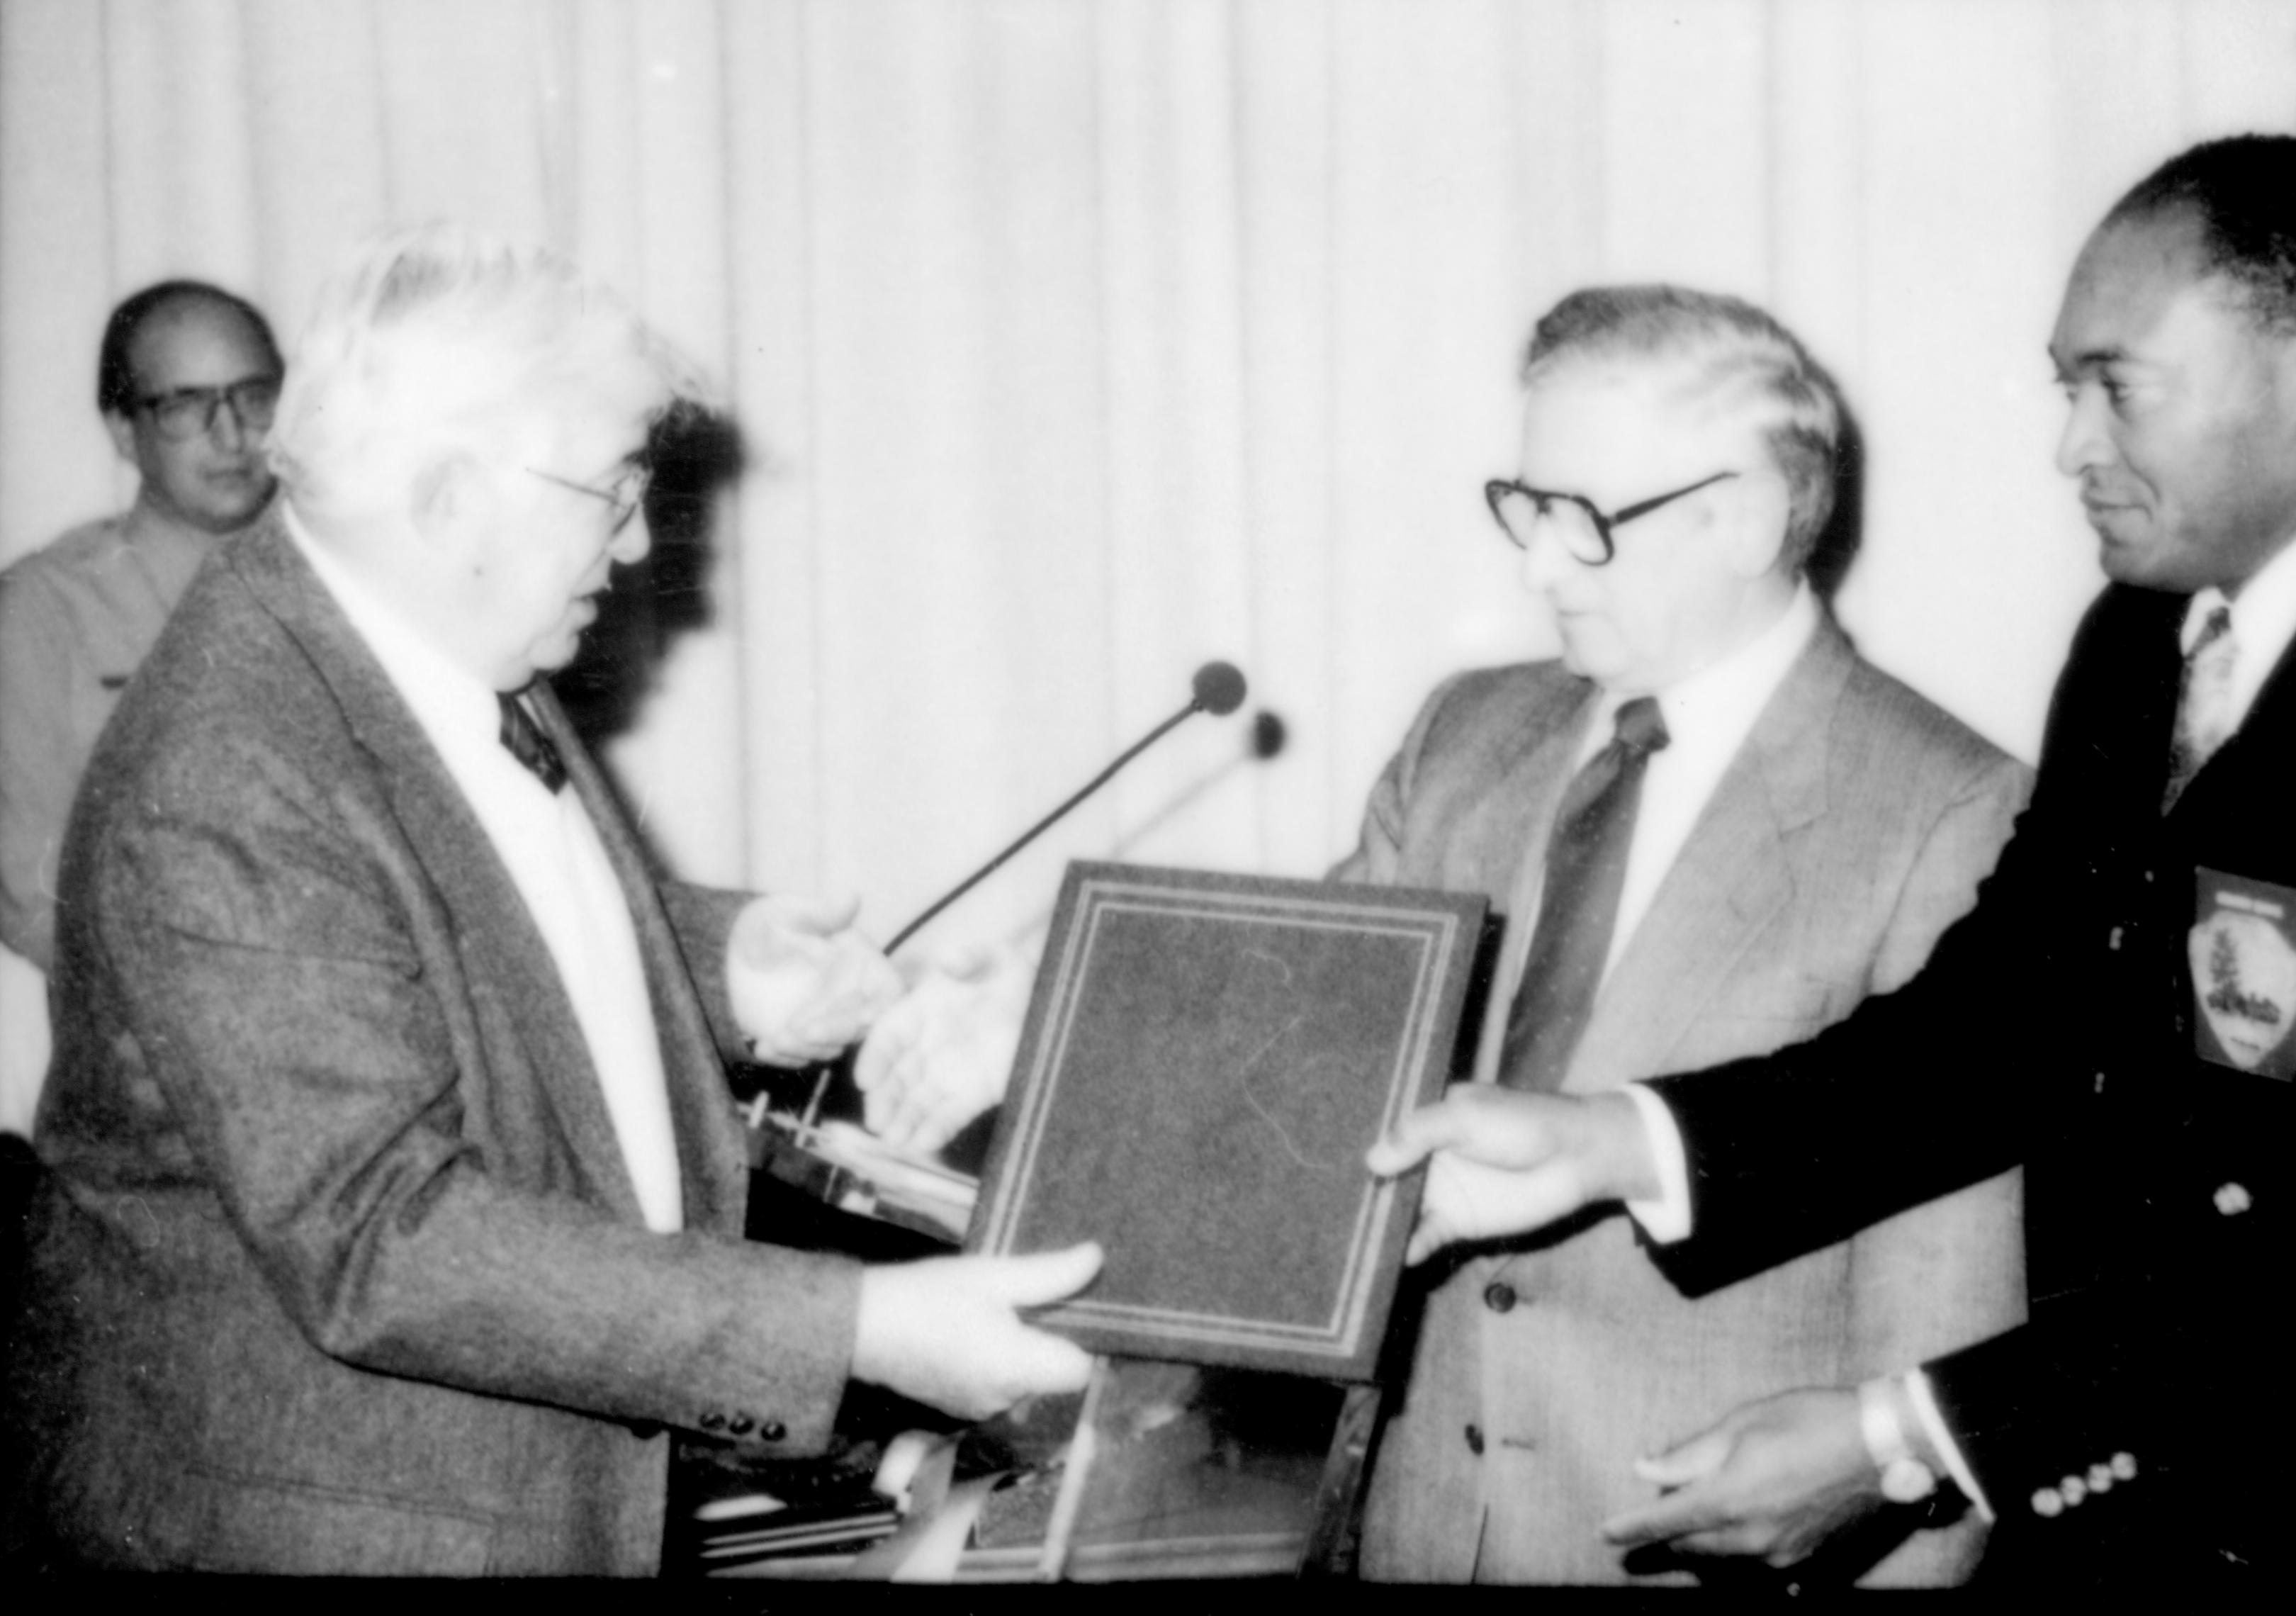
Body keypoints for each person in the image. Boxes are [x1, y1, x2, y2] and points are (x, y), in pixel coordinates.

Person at [1, 225, 1098, 1576]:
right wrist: (861, 1328)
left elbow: (457, 909)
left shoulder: (443, 642)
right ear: (455, 497)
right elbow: (387, 1240)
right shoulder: (228, 759)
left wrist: (719, 962)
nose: (637, 543)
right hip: (345, 1525)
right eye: (610, 490)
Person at [1367, 133, 2296, 1590]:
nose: (2070, 444)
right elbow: (1997, 1027)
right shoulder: (2138, 646)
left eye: (2120, 386)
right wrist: (1624, 1141)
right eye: (2068, 388)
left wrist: (1906, 1429)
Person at [1334, 286, 2029, 1585]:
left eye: (1583, 520)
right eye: (1525, 509)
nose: (1536, 565)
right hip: (1410, 1535)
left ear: (1750, 519)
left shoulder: (1947, 808)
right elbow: (1300, 1038)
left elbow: (1945, 1336)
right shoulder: (1462, 738)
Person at [0, 281, 283, 983]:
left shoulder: (349, 585)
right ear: (126, 432)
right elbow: (29, 888)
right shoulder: (43, 609)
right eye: (185, 405)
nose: (232, 433)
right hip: (153, 1028)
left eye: (254, 395)